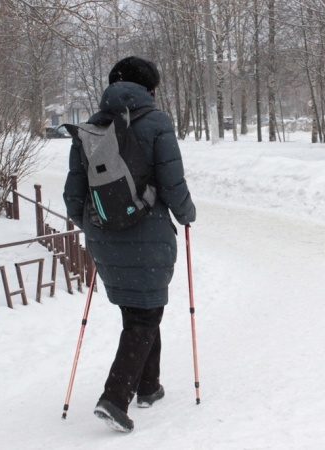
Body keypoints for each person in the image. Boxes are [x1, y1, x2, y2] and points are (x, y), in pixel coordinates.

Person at [63, 56, 196, 433]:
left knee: (138, 309)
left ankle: (149, 386)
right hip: (149, 234)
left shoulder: (90, 128)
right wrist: (187, 214)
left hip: (103, 237)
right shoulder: (156, 123)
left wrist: (96, 225)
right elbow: (172, 184)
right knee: (145, 316)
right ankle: (115, 398)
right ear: (150, 89)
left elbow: (73, 196)